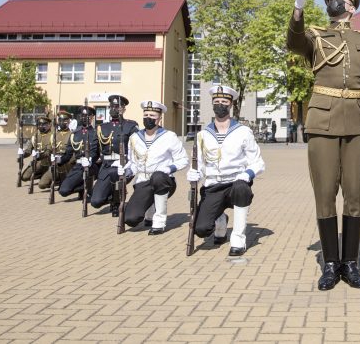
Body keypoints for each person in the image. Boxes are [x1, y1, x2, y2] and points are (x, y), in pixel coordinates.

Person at [287, 0, 360, 291]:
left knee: (354, 196)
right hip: (323, 124)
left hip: (357, 125)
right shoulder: (315, 36)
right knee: (325, 195)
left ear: (352, 7)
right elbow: (294, 43)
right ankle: (330, 264)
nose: (338, 2)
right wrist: (298, 8)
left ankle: (351, 263)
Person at [188, 85, 265, 256]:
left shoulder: (243, 132)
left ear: (230, 105)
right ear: (212, 104)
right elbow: (200, 163)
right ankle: (220, 219)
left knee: (241, 189)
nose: (220, 105)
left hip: (235, 183)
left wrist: (247, 174)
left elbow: (258, 163)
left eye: (224, 102)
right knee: (201, 229)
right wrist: (195, 173)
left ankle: (238, 239)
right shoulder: (203, 134)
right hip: (213, 185)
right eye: (216, 102)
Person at [120, 101, 188, 234]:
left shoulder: (169, 136)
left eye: (152, 115)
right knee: (131, 219)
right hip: (143, 181)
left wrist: (169, 168)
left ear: (159, 118)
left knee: (158, 177)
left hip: (163, 180)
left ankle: (159, 221)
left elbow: (183, 159)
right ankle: (149, 207)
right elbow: (133, 163)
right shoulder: (134, 137)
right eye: (146, 115)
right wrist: (126, 170)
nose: (148, 118)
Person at [90, 95, 139, 216]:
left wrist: (131, 163)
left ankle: (117, 202)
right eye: (112, 106)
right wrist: (88, 161)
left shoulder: (131, 126)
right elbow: (95, 150)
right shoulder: (102, 127)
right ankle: (112, 196)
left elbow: (137, 148)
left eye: (117, 106)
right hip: (106, 166)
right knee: (95, 202)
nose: (114, 109)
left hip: (124, 164)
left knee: (116, 175)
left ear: (123, 109)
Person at [56, 106, 99, 199]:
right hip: (78, 166)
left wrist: (91, 160)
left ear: (92, 117)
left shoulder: (96, 133)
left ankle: (89, 187)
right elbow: (68, 153)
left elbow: (97, 152)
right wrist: (58, 160)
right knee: (63, 191)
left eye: (87, 116)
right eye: (82, 115)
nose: (84, 118)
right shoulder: (75, 134)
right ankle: (82, 187)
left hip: (91, 166)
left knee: (92, 171)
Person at [20, 117, 55, 185]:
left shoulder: (53, 136)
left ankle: (54, 179)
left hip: (49, 162)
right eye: (40, 124)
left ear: (49, 125)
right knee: (24, 177)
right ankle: (41, 176)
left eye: (44, 124)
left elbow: (48, 152)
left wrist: (39, 155)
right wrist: (22, 155)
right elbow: (28, 151)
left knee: (44, 184)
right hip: (38, 162)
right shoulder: (35, 136)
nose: (41, 126)